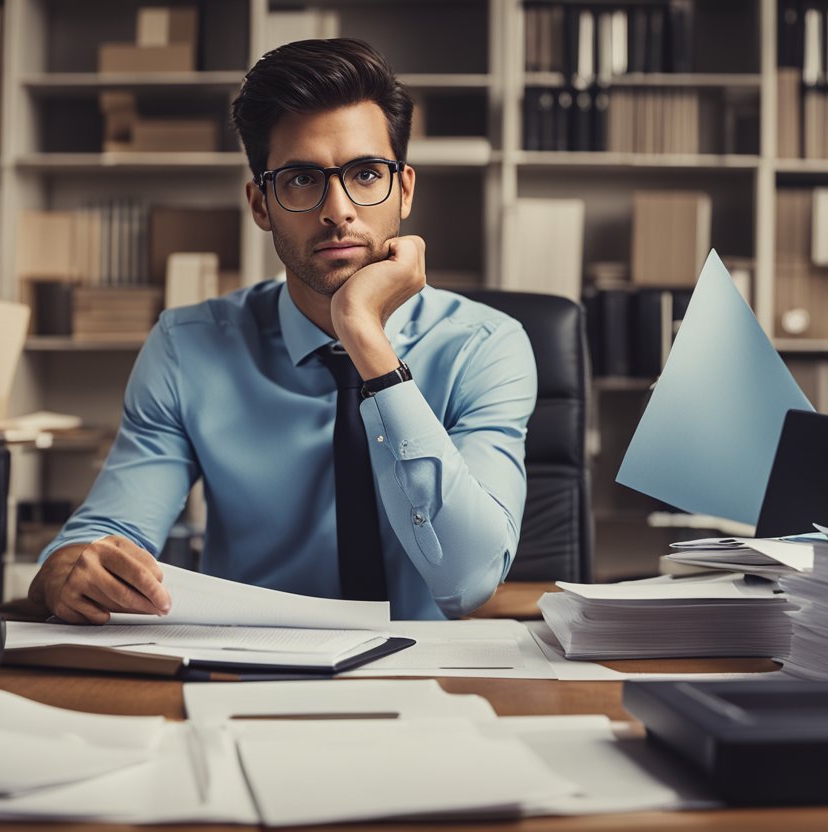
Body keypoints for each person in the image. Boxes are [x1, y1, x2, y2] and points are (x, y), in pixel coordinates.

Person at [28, 38, 537, 623]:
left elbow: (468, 583)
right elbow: (112, 530)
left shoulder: (487, 345)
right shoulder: (187, 347)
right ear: (260, 204)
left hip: (430, 673)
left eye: (366, 173)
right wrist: (72, 567)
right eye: (300, 179)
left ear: (404, 190)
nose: (338, 209)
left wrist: (364, 338)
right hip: (249, 670)